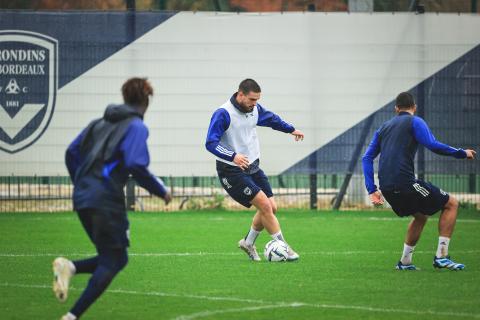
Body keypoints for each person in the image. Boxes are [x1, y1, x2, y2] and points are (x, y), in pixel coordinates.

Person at [53, 78, 172, 320]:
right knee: (113, 261)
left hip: (83, 197)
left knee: (115, 258)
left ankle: (71, 268)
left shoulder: (97, 123)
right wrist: (160, 190)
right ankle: (71, 316)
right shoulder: (136, 126)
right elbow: (134, 163)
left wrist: (83, 183)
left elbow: (71, 152)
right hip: (105, 199)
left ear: (125, 97)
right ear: (146, 102)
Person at [362, 92, 476, 271]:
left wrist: (372, 189)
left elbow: (366, 158)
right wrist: (462, 152)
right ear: (414, 108)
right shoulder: (415, 121)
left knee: (420, 216)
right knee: (452, 204)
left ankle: (405, 262)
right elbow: (433, 144)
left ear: (396, 109)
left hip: (386, 187)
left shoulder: (383, 127)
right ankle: (442, 257)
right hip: (405, 184)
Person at [205, 78, 305, 261]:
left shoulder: (254, 109)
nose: (255, 104)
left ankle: (248, 242)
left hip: (253, 166)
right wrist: (232, 155)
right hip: (231, 170)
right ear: (240, 94)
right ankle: (284, 248)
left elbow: (272, 120)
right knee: (265, 205)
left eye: (257, 100)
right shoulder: (223, 113)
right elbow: (210, 143)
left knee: (271, 207)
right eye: (252, 99)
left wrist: (291, 129)